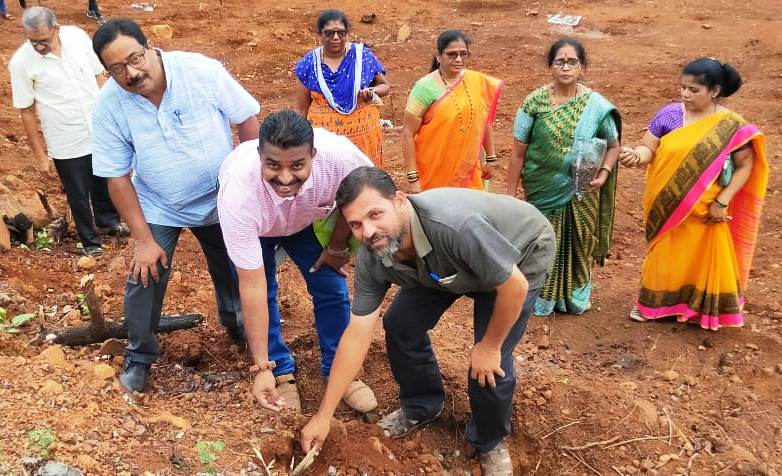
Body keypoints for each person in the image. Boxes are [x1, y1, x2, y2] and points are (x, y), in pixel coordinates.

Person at [299, 167, 556, 475]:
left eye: (375, 214)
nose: (367, 231)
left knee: (489, 364)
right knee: (400, 324)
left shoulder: (455, 227)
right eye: (356, 224)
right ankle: (422, 405)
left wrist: (489, 346)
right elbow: (357, 333)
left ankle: (490, 440)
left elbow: (514, 286)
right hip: (444, 269)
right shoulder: (375, 253)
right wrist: (324, 415)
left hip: (517, 258)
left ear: (400, 201)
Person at [90, 19, 260, 391]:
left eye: (136, 58)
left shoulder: (200, 71)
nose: (131, 73)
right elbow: (116, 177)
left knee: (236, 265)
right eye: (117, 69)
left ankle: (240, 325)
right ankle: (140, 355)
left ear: (150, 47)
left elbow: (246, 119)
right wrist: (142, 239)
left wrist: (248, 182)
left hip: (220, 194)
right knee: (144, 275)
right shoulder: (109, 106)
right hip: (158, 204)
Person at [217, 111, 377, 414]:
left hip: (306, 221)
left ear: (313, 155)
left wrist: (337, 246)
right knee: (263, 293)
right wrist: (261, 367)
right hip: (259, 225)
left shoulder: (341, 158)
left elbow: (358, 200)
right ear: (259, 155)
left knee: (330, 285)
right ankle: (279, 372)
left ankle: (341, 369)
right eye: (273, 165)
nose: (286, 178)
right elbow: (251, 287)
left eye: (298, 165)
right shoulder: (238, 195)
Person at [618, 58, 768, 330]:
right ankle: (654, 306)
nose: (685, 95)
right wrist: (635, 156)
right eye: (683, 88)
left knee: (701, 259)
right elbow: (648, 149)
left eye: (694, 90)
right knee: (663, 255)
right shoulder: (669, 115)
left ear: (714, 91)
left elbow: (746, 166)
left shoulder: (731, 126)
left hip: (705, 210)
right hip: (666, 205)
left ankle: (699, 308)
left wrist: (723, 201)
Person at [506, 38, 621, 317]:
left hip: (581, 190)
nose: (566, 67)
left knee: (580, 240)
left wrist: (603, 174)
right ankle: (541, 299)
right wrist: (510, 194)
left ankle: (573, 298)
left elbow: (613, 146)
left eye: (572, 62)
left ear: (582, 67)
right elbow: (518, 152)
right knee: (543, 242)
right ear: (551, 66)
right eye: (560, 61)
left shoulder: (595, 106)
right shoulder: (534, 102)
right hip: (542, 188)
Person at [8, 7, 125, 257]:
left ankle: (108, 221)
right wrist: (40, 154)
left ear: (56, 28)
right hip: (65, 135)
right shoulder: (21, 63)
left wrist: (115, 116)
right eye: (33, 41)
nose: (39, 47)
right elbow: (26, 111)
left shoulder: (78, 38)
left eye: (44, 41)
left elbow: (100, 76)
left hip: (98, 125)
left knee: (104, 177)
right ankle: (90, 243)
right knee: (78, 192)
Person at [402, 30, 502, 192]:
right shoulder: (424, 88)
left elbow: (483, 121)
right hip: (433, 170)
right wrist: (413, 178)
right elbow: (407, 133)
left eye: (463, 54)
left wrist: (490, 158)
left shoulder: (476, 81)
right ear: (438, 56)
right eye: (452, 55)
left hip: (468, 170)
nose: (458, 60)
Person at [293, 9, 390, 167]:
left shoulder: (362, 56)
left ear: (347, 33)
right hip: (325, 144)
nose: (336, 38)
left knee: (364, 183)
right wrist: (298, 141)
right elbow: (301, 108)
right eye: (329, 33)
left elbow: (385, 86)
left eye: (341, 33)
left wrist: (372, 92)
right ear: (319, 34)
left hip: (365, 139)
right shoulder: (309, 63)